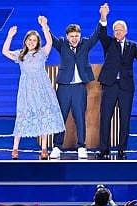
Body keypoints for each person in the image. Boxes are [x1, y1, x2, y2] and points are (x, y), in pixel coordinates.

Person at [2, 16, 65, 160]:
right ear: (25, 41)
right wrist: (9, 36)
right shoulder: (20, 54)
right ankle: (15, 148)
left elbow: (49, 41)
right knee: (23, 115)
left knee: (42, 116)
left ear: (37, 42)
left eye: (34, 40)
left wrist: (44, 26)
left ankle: (44, 149)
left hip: (42, 89)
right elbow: (5, 51)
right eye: (29, 40)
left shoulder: (42, 53)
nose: (31, 42)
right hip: (26, 91)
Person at [48, 5, 107, 159]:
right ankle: (57, 146)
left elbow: (97, 34)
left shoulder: (86, 44)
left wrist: (102, 17)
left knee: (80, 116)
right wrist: (44, 26)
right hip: (64, 87)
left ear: (80, 36)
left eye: (76, 36)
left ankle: (82, 146)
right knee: (61, 117)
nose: (74, 39)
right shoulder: (61, 44)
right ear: (67, 36)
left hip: (80, 87)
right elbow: (51, 38)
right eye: (72, 36)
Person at [95, 3, 137, 160]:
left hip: (126, 87)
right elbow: (101, 33)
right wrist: (103, 16)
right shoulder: (109, 42)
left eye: (120, 30)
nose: (118, 32)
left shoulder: (133, 46)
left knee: (125, 118)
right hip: (110, 84)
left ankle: (121, 149)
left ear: (126, 31)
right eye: (115, 30)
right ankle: (104, 150)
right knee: (105, 117)